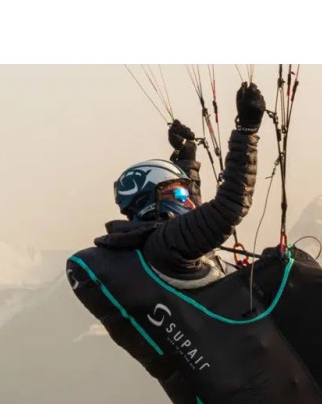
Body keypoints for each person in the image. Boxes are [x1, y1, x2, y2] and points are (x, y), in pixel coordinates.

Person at [98, 82, 266, 287]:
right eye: (179, 194)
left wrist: (186, 158)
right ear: (149, 203)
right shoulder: (165, 243)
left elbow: (191, 222)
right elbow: (229, 206)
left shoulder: (157, 242)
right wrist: (247, 131)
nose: (190, 202)